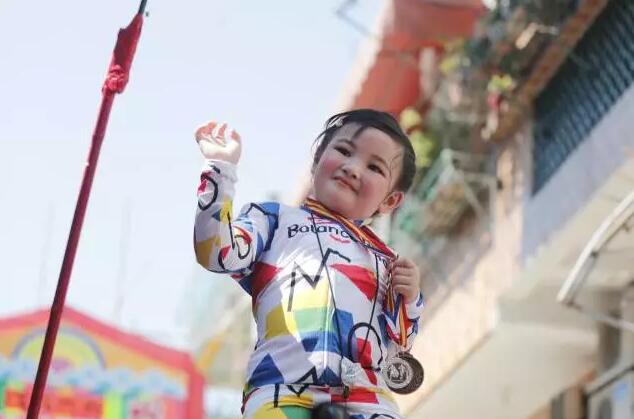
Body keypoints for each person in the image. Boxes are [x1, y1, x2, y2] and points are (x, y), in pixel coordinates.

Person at [193, 109, 423, 419]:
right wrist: (221, 170)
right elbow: (215, 251)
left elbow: (399, 345)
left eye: (374, 167)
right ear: (317, 159)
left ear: (390, 200)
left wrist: (411, 297)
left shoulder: (385, 260)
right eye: (344, 151)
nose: (353, 168)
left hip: (369, 401)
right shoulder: (273, 220)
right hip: (279, 390)